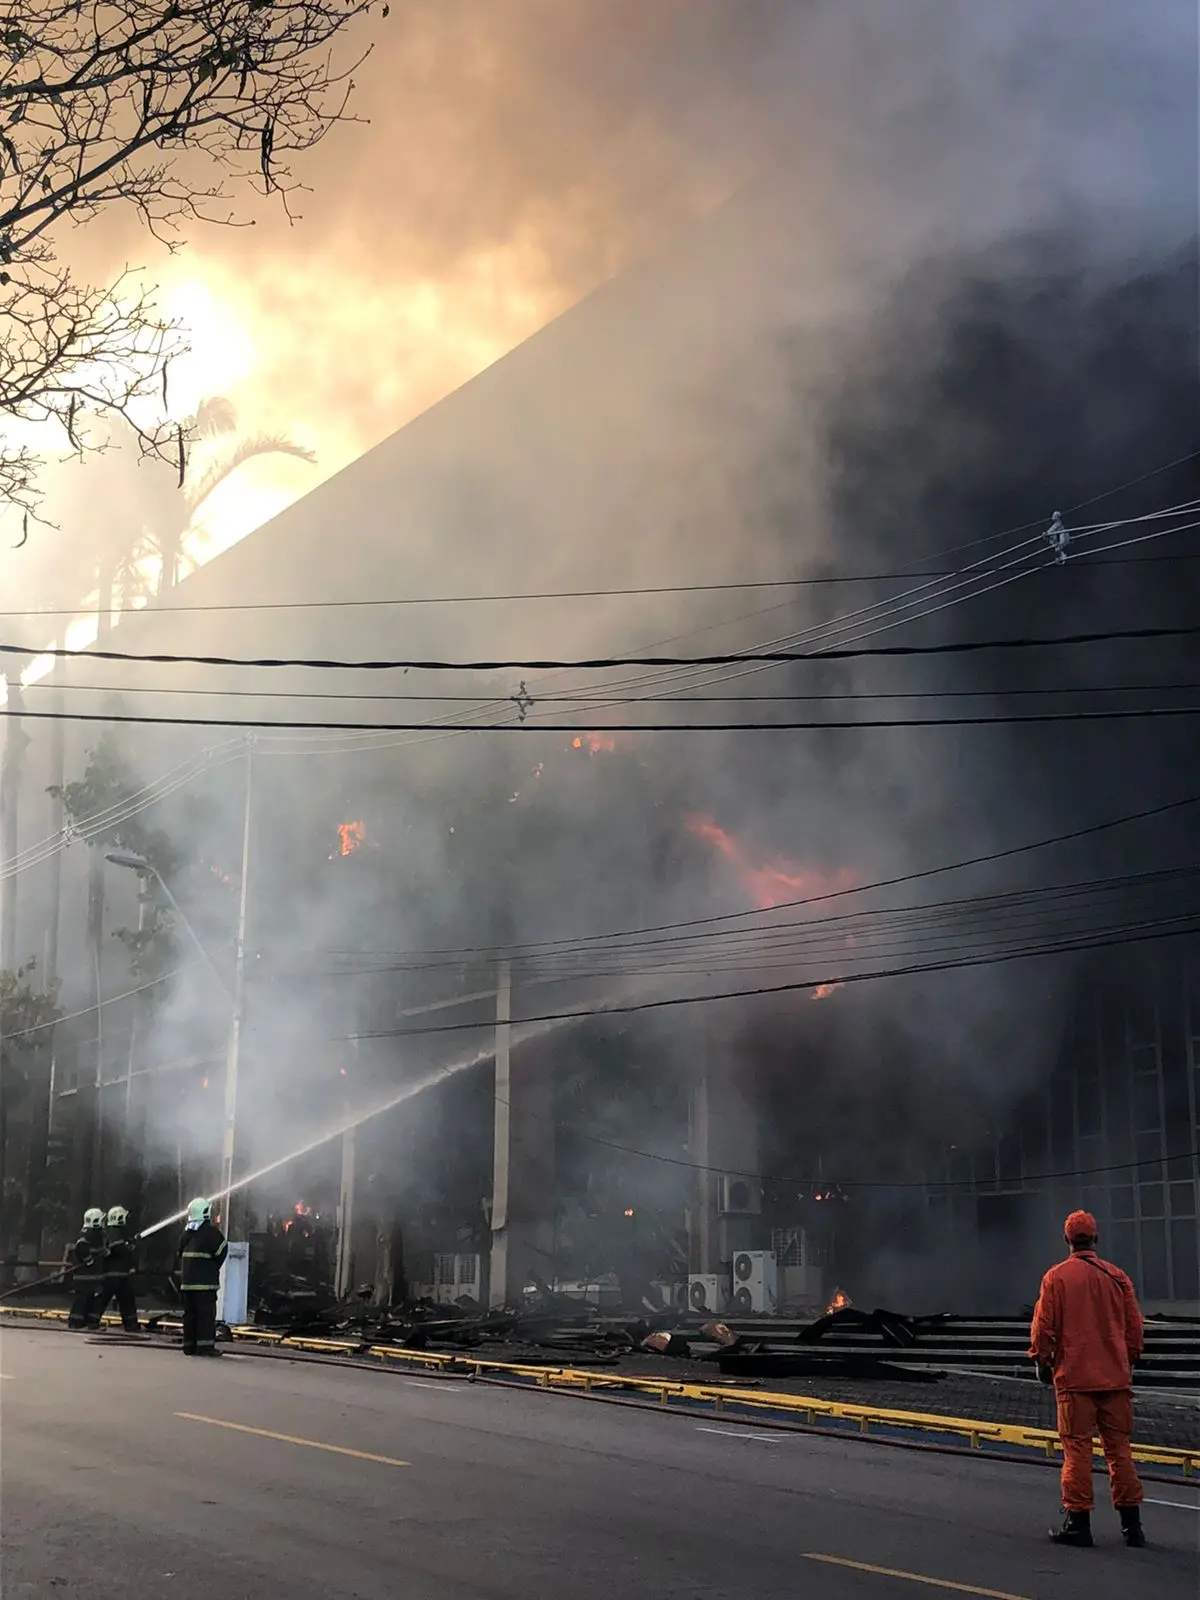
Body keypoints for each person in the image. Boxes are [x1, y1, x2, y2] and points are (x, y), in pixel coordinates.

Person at [1029, 1209, 1146, 1549]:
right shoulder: (1117, 1277)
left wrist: (1042, 1360)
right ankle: (1132, 1527)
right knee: (1119, 1451)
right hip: (1115, 1381)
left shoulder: (1056, 1278)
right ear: (1095, 1238)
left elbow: (1043, 1327)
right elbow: (1135, 1329)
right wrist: (1127, 1359)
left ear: (1066, 1239)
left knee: (1077, 1450)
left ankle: (1079, 1523)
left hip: (1075, 1380)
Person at [176, 1197, 228, 1356]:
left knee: (189, 1315)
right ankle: (205, 1347)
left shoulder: (186, 1234)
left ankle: (189, 1346)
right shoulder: (211, 1232)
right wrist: (212, 1268)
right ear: (206, 1212)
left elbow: (178, 1253)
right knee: (205, 1316)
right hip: (205, 1284)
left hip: (187, 1284)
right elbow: (222, 1250)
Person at [91, 1206, 140, 1332]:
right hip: (112, 1275)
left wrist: (131, 1243)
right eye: (124, 1217)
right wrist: (129, 1245)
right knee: (103, 1300)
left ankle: (131, 1325)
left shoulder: (120, 1232)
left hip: (121, 1275)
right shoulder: (113, 1232)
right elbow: (116, 1248)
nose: (126, 1219)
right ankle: (92, 1322)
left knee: (127, 1301)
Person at [67, 1208, 107, 1329]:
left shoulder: (98, 1239)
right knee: (81, 1302)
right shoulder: (85, 1240)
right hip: (83, 1280)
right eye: (101, 1221)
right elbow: (82, 1252)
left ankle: (90, 1323)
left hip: (94, 1280)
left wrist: (105, 1252)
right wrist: (88, 1259)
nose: (103, 1224)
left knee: (93, 1302)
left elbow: (100, 1253)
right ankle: (75, 1322)